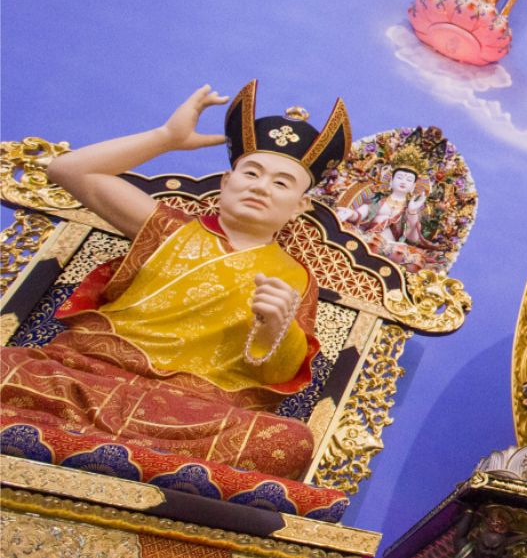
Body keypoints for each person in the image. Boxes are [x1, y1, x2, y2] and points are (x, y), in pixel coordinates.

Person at [0, 82, 350, 479]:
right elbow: (67, 169)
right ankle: (143, 457)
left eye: (281, 183)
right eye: (251, 173)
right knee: (9, 365)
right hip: (88, 378)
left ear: (300, 206)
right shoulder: (168, 229)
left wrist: (276, 330)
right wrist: (165, 137)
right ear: (226, 182)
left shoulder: (295, 277)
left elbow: (276, 376)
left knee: (288, 442)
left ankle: (77, 440)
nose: (260, 186)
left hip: (194, 412)